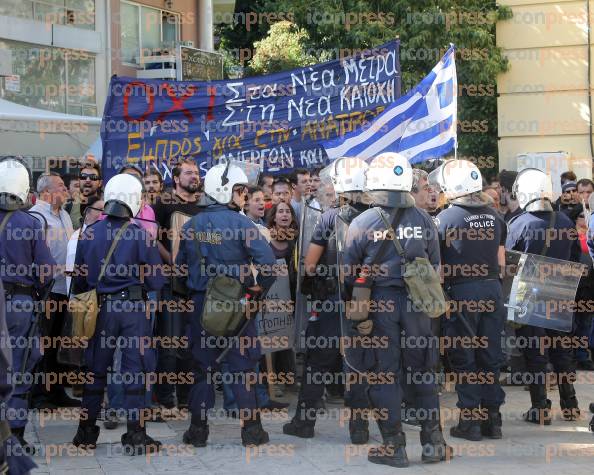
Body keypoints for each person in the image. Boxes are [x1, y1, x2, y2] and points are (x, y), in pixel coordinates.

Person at [343, 152, 450, 467]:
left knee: (384, 374)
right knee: (423, 372)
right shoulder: (425, 219)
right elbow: (434, 266)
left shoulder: (362, 221)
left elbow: (348, 274)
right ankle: (433, 444)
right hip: (418, 304)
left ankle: (394, 446)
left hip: (380, 306)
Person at [177, 161, 276, 448]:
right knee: (243, 368)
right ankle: (252, 431)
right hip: (237, 304)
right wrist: (256, 293)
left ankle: (198, 431)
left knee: (202, 369)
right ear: (226, 191)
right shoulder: (241, 222)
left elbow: (179, 272)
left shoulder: (191, 225)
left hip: (201, 307)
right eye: (240, 190)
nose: (243, 195)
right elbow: (268, 264)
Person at [71, 173, 165, 455]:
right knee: (134, 371)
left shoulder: (88, 234)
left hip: (100, 309)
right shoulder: (140, 235)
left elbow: (79, 280)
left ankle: (85, 434)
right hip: (133, 310)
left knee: (96, 371)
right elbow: (156, 281)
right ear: (134, 200)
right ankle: (136, 435)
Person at [282, 157, 371, 444]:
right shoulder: (379, 216)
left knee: (316, 364)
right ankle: (359, 429)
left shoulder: (330, 217)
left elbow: (309, 264)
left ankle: (303, 423)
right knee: (359, 365)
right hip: (367, 303)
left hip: (333, 300)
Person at [432, 159, 507, 441]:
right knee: (490, 356)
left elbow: (437, 268)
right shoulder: (495, 217)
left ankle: (470, 422)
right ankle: (493, 419)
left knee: (464, 358)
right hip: (492, 290)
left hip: (462, 293)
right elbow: (500, 263)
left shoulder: (444, 219)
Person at [507, 168, 581, 425]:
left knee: (534, 352)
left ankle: (540, 408)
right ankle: (570, 404)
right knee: (562, 350)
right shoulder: (566, 221)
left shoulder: (519, 223)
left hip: (530, 293)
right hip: (561, 290)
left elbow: (507, 264)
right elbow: (575, 258)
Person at [0, 158, 55, 455]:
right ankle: (14, 439)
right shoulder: (29, 223)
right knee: (19, 370)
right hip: (19, 304)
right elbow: (47, 269)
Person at [151, 159, 201, 410]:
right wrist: (170, 260)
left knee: (192, 345)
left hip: (198, 284)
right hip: (172, 285)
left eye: (196, 173)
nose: (194, 176)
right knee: (170, 342)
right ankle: (164, 395)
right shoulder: (164, 202)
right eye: (189, 173)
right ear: (176, 178)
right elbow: (153, 237)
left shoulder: (204, 204)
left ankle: (185, 396)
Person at [29, 172, 79, 410]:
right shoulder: (35, 217)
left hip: (64, 289)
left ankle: (57, 391)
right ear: (46, 191)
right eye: (61, 186)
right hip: (45, 291)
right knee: (42, 344)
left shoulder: (66, 216)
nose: (66, 189)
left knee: (59, 342)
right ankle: (39, 396)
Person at [69, 162, 102, 229]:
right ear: (79, 180)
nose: (88, 180)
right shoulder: (67, 205)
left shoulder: (106, 206)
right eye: (83, 176)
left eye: (93, 177)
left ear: (100, 183)